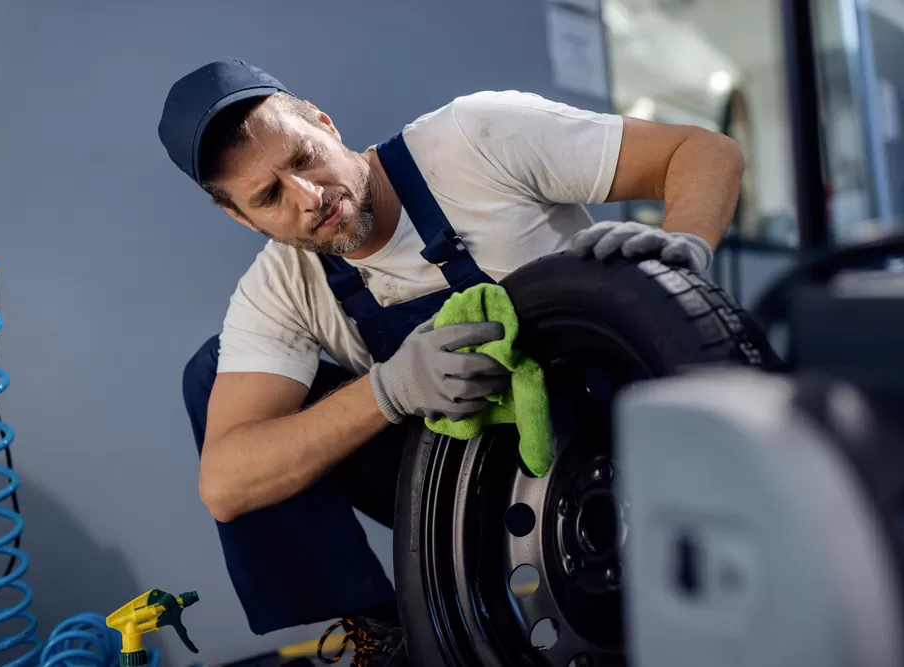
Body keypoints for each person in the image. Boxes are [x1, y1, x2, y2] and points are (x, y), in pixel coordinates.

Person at [159, 58, 742, 665]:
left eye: (303, 158)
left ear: (325, 125)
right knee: (215, 372)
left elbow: (701, 151)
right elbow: (225, 484)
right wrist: (387, 390)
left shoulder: (474, 139)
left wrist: (686, 244)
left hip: (615, 419)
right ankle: (387, 631)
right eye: (269, 196)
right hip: (471, 468)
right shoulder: (282, 287)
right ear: (240, 217)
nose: (309, 198)